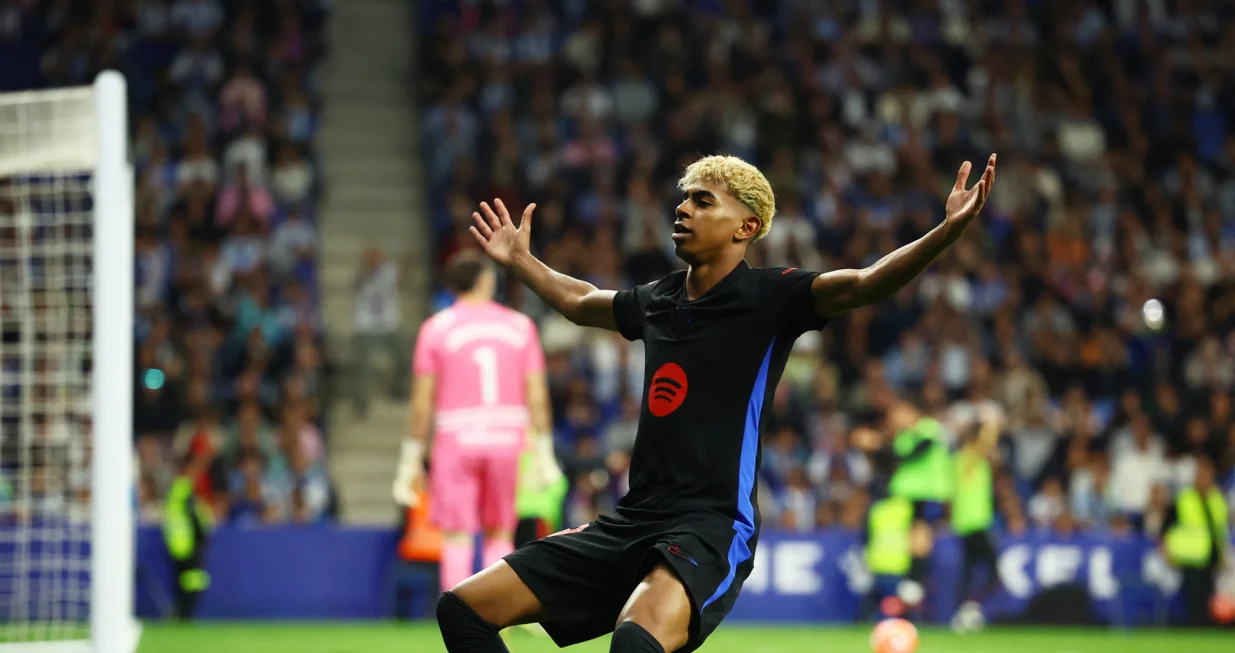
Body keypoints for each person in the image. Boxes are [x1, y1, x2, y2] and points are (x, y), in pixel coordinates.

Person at [439, 153, 995, 653]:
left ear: (746, 227)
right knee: (463, 609)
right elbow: (582, 300)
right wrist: (520, 260)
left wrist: (946, 232)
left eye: (702, 201)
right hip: (633, 518)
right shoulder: (658, 300)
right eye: (683, 198)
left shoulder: (773, 297)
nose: (682, 209)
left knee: (635, 643)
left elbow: (868, 281)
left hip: (708, 523)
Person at [392, 251, 561, 593]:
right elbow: (537, 394)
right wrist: (544, 449)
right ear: (485, 281)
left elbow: (422, 401)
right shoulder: (520, 326)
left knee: (456, 535)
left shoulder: (435, 329)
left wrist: (411, 455)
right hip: (507, 437)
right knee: (499, 532)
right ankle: (496, 622)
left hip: (456, 437)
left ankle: (461, 626)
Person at [1163, 456, 1229, 626]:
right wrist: (1167, 549)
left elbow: (1220, 530)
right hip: (1190, 557)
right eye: (1201, 474)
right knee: (1194, 598)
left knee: (1210, 599)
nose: (1205, 478)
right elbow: (1167, 526)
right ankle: (1194, 629)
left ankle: (1206, 630)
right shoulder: (1184, 498)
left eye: (1208, 474)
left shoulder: (1217, 498)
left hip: (1211, 557)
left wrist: (1222, 555)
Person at [951, 409, 1002, 628]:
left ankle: (966, 610)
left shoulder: (978, 462)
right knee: (993, 571)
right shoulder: (965, 459)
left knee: (970, 571)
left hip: (977, 522)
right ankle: (969, 608)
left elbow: (994, 460)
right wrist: (987, 429)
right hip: (971, 523)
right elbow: (984, 447)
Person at [163, 450, 215, 620]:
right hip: (187, 544)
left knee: (183, 581)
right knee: (192, 581)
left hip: (178, 544)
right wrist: (202, 536)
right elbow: (193, 518)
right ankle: (184, 614)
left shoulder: (176, 490)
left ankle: (180, 613)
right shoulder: (184, 490)